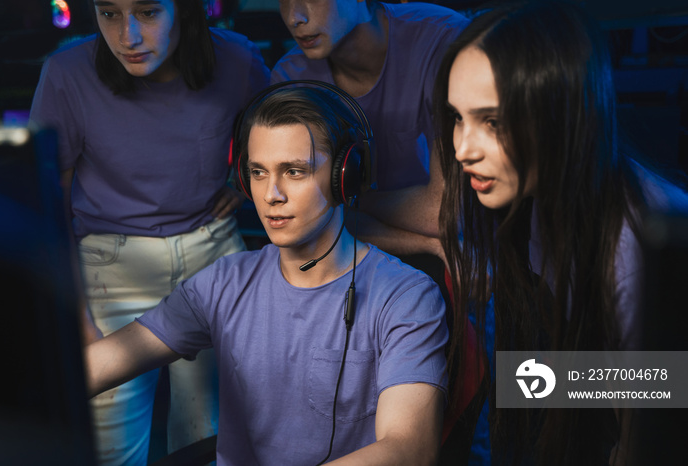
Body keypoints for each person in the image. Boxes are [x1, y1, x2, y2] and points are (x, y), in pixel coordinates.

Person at [83, 86, 448, 465]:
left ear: (346, 177)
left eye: (294, 171)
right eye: (258, 172)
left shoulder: (407, 297)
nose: (271, 194)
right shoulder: (223, 283)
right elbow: (101, 364)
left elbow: (410, 450)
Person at [433, 1, 688, 465]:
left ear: (561, 112)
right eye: (457, 117)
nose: (463, 149)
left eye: (492, 121)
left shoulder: (633, 253)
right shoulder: (540, 192)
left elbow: (661, 391)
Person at [29, 0, 269, 463]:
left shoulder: (238, 59)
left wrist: (242, 182)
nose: (128, 37)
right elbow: (47, 204)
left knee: (210, 440)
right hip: (109, 270)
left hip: (212, 256)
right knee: (109, 449)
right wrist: (77, 319)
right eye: (109, 13)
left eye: (148, 12)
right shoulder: (66, 74)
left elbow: (283, 130)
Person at [272, 0, 469, 258]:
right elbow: (309, 223)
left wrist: (345, 200)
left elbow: (445, 212)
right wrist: (429, 245)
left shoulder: (442, 38)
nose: (293, 18)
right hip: (356, 257)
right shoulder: (290, 81)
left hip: (473, 246)